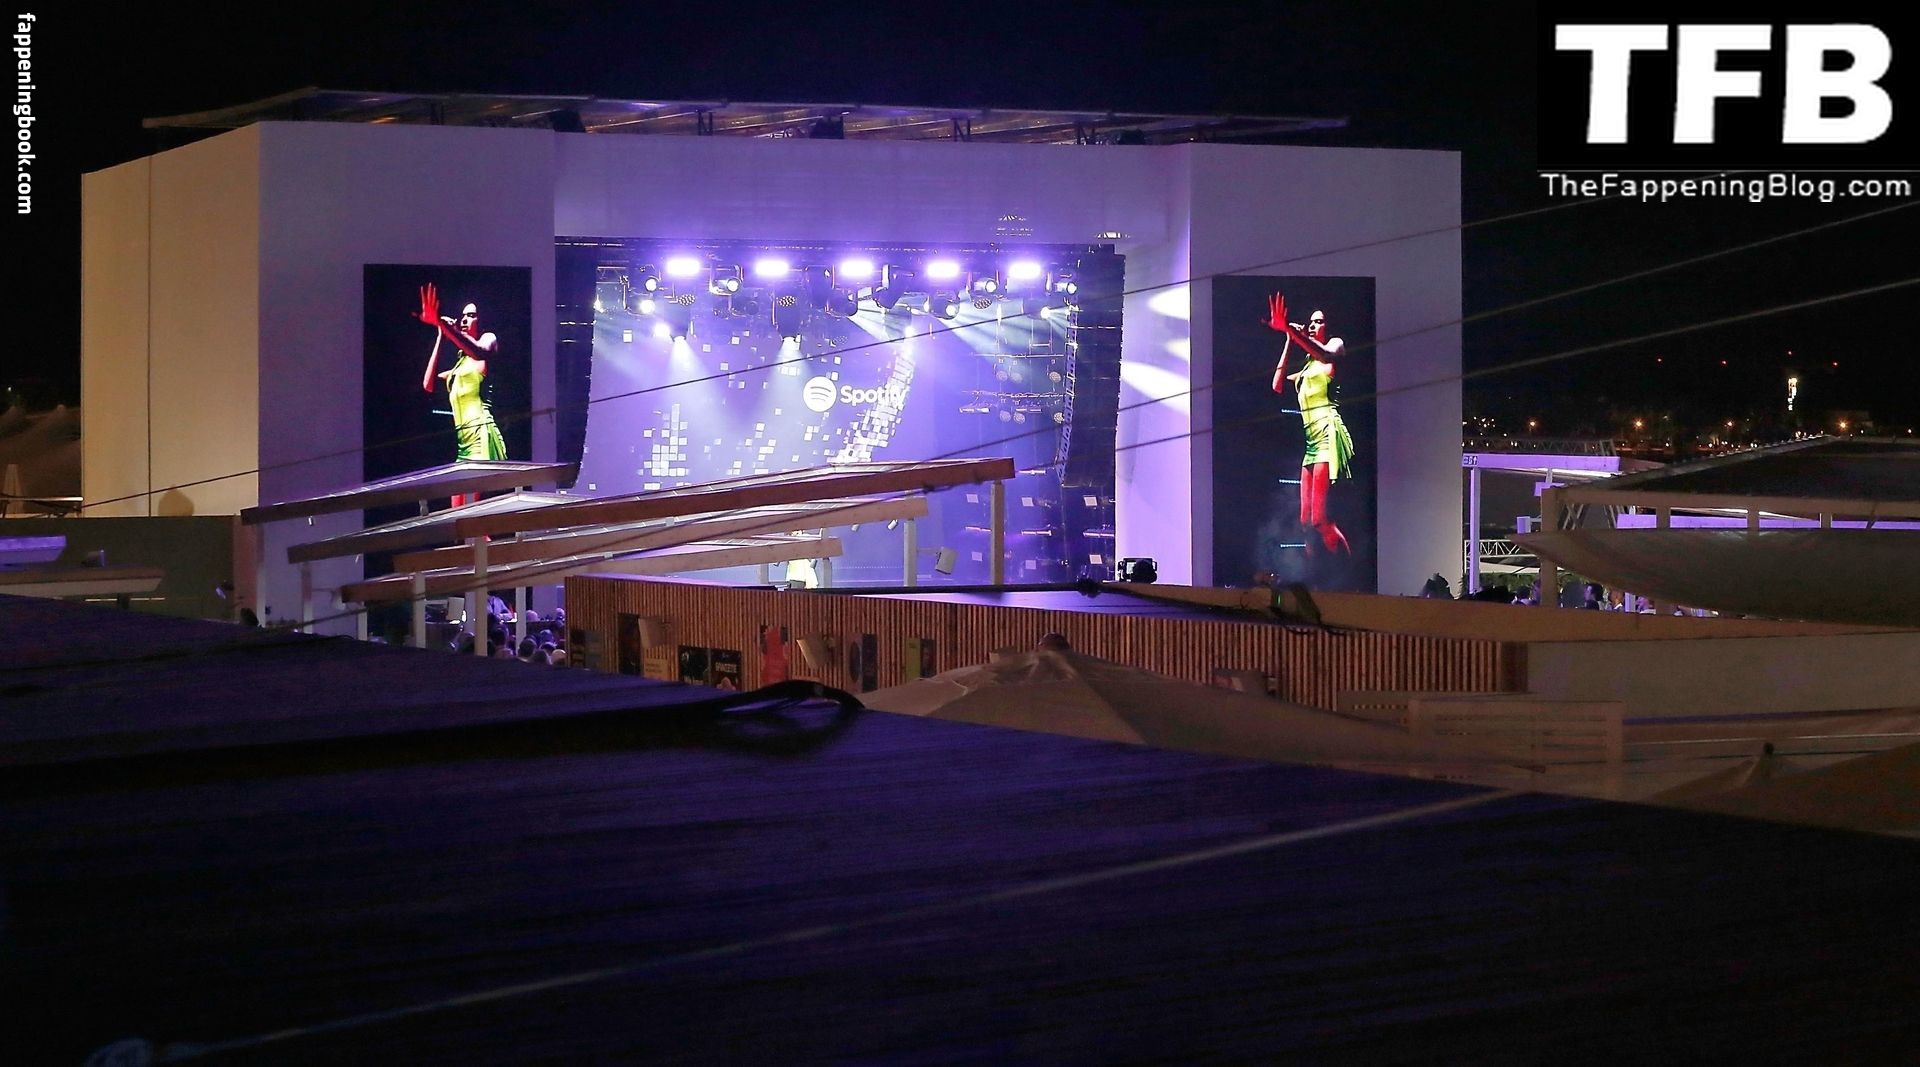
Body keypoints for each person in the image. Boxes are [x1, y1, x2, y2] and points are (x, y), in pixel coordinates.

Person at [1265, 293, 1353, 555]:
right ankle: (1319, 565)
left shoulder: (1335, 345)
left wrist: (1296, 333)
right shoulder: (1306, 365)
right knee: (1305, 521)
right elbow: (1277, 384)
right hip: (1311, 440)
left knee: (1318, 518)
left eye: (1319, 321)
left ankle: (1344, 561)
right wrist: (1289, 337)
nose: (1313, 325)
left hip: (1327, 432)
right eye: (1311, 322)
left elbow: (1324, 355)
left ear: (1328, 326)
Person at [417, 283, 506, 505]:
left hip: (481, 437)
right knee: (456, 514)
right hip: (463, 444)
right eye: (463, 316)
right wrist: (441, 333)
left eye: (471, 315)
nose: (465, 319)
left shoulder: (489, 339)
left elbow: (478, 351)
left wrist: (446, 326)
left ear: (482, 320)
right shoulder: (459, 364)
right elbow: (428, 384)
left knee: (469, 513)